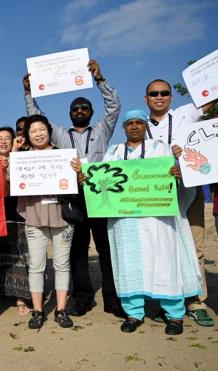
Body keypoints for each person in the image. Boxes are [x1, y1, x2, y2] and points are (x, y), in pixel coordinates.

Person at [74, 109, 201, 335]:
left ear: (145, 126)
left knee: (165, 263)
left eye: (139, 123)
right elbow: (101, 180)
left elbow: (176, 181)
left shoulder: (159, 148)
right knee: (128, 263)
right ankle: (134, 313)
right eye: (130, 123)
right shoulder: (114, 151)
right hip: (126, 222)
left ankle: (174, 315)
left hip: (157, 220)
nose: (134, 127)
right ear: (124, 127)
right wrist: (86, 179)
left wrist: (177, 171)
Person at [24, 59, 123, 318]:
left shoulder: (102, 129)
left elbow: (113, 107)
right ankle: (82, 298)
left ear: (91, 111)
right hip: (73, 198)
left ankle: (112, 299)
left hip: (101, 194)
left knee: (105, 248)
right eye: (75, 108)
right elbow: (38, 118)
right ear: (69, 113)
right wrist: (28, 92)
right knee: (78, 250)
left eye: (84, 107)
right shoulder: (59, 134)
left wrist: (100, 80)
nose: (80, 110)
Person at [144, 79, 217, 326]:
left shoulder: (186, 113)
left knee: (194, 243)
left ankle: (196, 300)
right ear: (146, 99)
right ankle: (164, 298)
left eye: (164, 92)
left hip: (189, 191)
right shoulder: (139, 126)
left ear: (171, 97)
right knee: (160, 248)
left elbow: (210, 99)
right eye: (154, 93)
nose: (159, 97)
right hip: (157, 197)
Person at [12, 115, 75, 329]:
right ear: (27, 135)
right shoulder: (22, 157)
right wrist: (14, 149)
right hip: (34, 215)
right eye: (33, 131)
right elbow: (11, 177)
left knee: (62, 265)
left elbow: (76, 180)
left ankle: (61, 310)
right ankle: (38, 311)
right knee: (36, 266)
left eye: (42, 129)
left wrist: (77, 170)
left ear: (49, 131)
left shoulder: (62, 155)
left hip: (62, 215)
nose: (38, 134)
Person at [0, 126, 31, 315]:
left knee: (19, 257)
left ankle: (20, 298)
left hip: (18, 214)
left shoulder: (21, 160)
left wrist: (14, 154)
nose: (4, 141)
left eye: (8, 138)